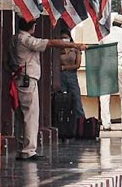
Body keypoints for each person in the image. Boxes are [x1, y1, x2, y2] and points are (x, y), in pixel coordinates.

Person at [9, 18, 81, 160]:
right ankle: (29, 150)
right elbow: (51, 43)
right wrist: (74, 44)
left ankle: (21, 147)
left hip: (19, 78)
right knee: (31, 115)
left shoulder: (14, 39)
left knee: (20, 115)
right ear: (32, 27)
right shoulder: (26, 40)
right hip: (27, 79)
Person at [58, 24, 87, 123]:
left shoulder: (75, 49)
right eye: (61, 38)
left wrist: (65, 67)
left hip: (72, 75)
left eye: (65, 38)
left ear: (70, 38)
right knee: (62, 100)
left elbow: (77, 65)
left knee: (76, 99)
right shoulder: (58, 49)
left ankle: (81, 123)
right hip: (60, 76)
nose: (64, 40)